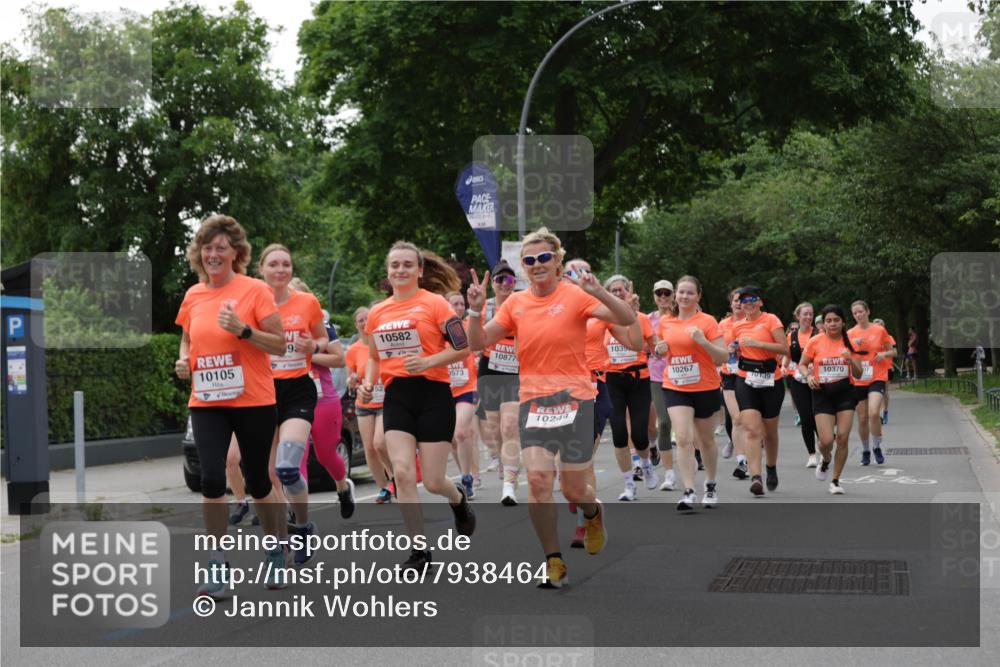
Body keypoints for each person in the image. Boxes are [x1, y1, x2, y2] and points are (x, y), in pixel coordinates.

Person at [467, 228, 638, 589]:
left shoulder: (575, 296)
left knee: (574, 490)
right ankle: (553, 559)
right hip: (533, 401)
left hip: (575, 399)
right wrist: (474, 310)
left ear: (558, 261)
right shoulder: (515, 303)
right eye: (529, 260)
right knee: (540, 482)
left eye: (544, 257)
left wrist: (598, 291)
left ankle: (593, 513)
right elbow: (478, 342)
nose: (536, 265)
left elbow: (624, 319)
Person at [174, 215, 287, 597]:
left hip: (253, 399)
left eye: (221, 247)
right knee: (210, 478)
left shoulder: (255, 290)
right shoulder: (193, 295)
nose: (213, 253)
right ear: (198, 254)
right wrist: (184, 360)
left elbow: (280, 343)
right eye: (207, 247)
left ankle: (275, 550)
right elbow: (188, 340)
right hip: (207, 401)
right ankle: (218, 564)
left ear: (236, 253)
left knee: (257, 482)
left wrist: (244, 329)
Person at [357, 242, 475, 571]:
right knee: (405, 474)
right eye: (395, 265)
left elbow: (463, 347)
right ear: (388, 271)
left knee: (435, 481)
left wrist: (428, 361)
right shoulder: (378, 311)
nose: (400, 270)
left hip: (434, 394)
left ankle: (459, 500)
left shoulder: (435, 304)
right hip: (397, 396)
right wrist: (369, 382)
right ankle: (419, 550)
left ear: (420, 270)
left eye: (408, 265)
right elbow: (373, 356)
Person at [654, 276, 728, 510]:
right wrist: (658, 350)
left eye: (690, 293)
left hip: (705, 386)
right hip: (676, 387)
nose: (684, 296)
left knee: (705, 440)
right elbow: (663, 352)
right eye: (681, 292)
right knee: (684, 438)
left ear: (698, 296)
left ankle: (711, 483)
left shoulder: (707, 321)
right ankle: (688, 490)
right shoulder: (666, 322)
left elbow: (723, 356)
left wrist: (703, 341)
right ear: (676, 294)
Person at [289, 277, 356, 521]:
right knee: (296, 457)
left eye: (295, 297)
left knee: (327, 454)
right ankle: (299, 516)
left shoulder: (322, 326)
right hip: (293, 399)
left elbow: (339, 359)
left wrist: (309, 355)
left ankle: (342, 487)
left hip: (322, 398)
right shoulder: (276, 326)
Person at [602, 275, 658, 501]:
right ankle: (628, 485)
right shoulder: (602, 320)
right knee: (618, 433)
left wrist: (658, 348)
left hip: (639, 378)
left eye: (621, 291)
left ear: (629, 292)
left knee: (639, 433)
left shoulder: (641, 318)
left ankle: (645, 464)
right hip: (613, 379)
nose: (617, 294)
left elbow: (654, 347)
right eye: (612, 291)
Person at [730, 285, 788, 496]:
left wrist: (758, 343)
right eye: (744, 301)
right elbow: (732, 349)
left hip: (771, 380)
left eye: (753, 299)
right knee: (752, 430)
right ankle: (756, 477)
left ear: (761, 302)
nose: (749, 303)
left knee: (770, 432)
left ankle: (770, 468)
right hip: (746, 380)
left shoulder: (771, 320)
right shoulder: (737, 326)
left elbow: (784, 349)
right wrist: (732, 349)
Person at [799, 305, 863, 494]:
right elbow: (803, 365)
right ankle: (826, 459)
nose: (832, 324)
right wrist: (808, 376)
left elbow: (859, 375)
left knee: (842, 437)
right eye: (828, 320)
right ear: (823, 323)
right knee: (826, 441)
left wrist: (850, 360)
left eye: (836, 320)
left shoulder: (851, 342)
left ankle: (835, 480)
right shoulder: (815, 341)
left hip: (845, 391)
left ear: (843, 322)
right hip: (822, 392)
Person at [475, 260, 524, 506]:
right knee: (494, 429)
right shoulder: (484, 308)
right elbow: (472, 336)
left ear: (515, 284)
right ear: (493, 284)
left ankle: (508, 483)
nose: (505, 284)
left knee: (510, 425)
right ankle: (507, 462)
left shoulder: (522, 306)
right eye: (500, 280)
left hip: (515, 371)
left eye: (510, 280)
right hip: (489, 369)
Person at [345, 306, 393, 503]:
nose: (365, 323)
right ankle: (383, 487)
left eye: (367, 319)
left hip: (385, 401)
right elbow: (350, 381)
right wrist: (353, 380)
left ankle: (395, 477)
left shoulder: (382, 343)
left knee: (379, 442)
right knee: (369, 449)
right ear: (356, 325)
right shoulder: (353, 350)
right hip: (364, 402)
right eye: (361, 320)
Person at [848, 301, 896, 466]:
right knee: (862, 419)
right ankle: (866, 450)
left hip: (877, 376)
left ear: (867, 311)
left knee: (874, 413)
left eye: (861, 311)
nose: (858, 315)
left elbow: (894, 351)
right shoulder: (850, 333)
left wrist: (884, 354)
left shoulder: (879, 330)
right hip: (859, 378)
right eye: (855, 313)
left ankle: (876, 446)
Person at [445, 290, 480, 499]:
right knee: (451, 439)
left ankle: (467, 478)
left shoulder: (467, 327)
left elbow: (481, 345)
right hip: (446, 390)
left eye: (461, 304)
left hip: (469, 387)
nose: (459, 308)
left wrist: (478, 358)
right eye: (454, 305)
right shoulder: (439, 330)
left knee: (461, 432)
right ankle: (464, 473)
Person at [647, 280, 677, 489]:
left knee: (687, 427)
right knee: (664, 423)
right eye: (660, 294)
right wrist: (652, 349)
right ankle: (669, 474)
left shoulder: (680, 317)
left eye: (667, 293)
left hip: (682, 377)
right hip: (657, 376)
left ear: (673, 295)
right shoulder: (648, 320)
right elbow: (639, 344)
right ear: (654, 296)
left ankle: (693, 456)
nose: (663, 297)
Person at [718, 289, 748, 480]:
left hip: (750, 374)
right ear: (731, 304)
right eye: (735, 300)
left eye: (742, 300)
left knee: (748, 420)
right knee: (736, 419)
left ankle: (741, 444)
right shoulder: (723, 325)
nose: (738, 303)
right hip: (729, 374)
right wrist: (725, 350)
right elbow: (716, 347)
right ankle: (742, 461)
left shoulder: (753, 323)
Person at [785, 303, 819, 467]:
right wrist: (784, 366)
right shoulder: (791, 336)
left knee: (818, 415)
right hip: (798, 380)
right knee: (806, 417)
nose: (808, 317)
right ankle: (812, 454)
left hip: (818, 380)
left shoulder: (820, 333)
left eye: (811, 314)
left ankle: (824, 443)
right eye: (805, 314)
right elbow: (787, 355)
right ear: (797, 316)